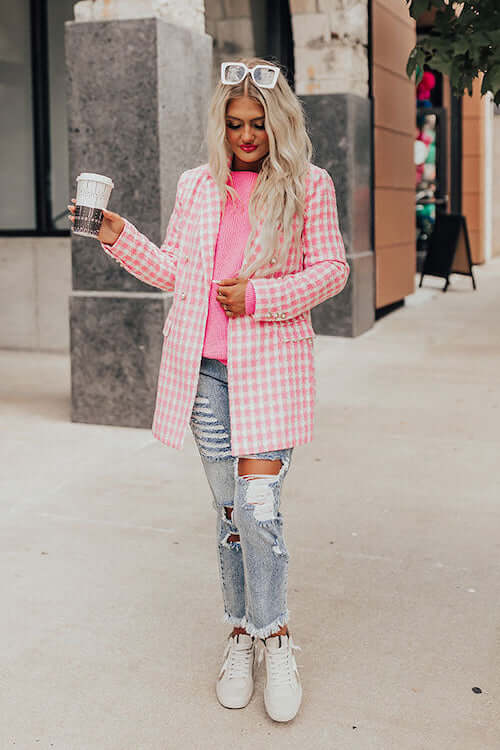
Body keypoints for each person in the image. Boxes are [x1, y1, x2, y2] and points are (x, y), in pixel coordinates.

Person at [68, 57, 349, 723]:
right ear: (220, 125)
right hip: (205, 376)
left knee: (259, 510)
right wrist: (115, 232)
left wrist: (260, 296)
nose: (246, 136)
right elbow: (176, 271)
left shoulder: (311, 184)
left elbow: (332, 270)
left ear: (277, 125)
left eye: (257, 124)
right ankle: (238, 634)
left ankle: (273, 635)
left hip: (271, 371)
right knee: (229, 517)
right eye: (234, 124)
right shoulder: (199, 186)